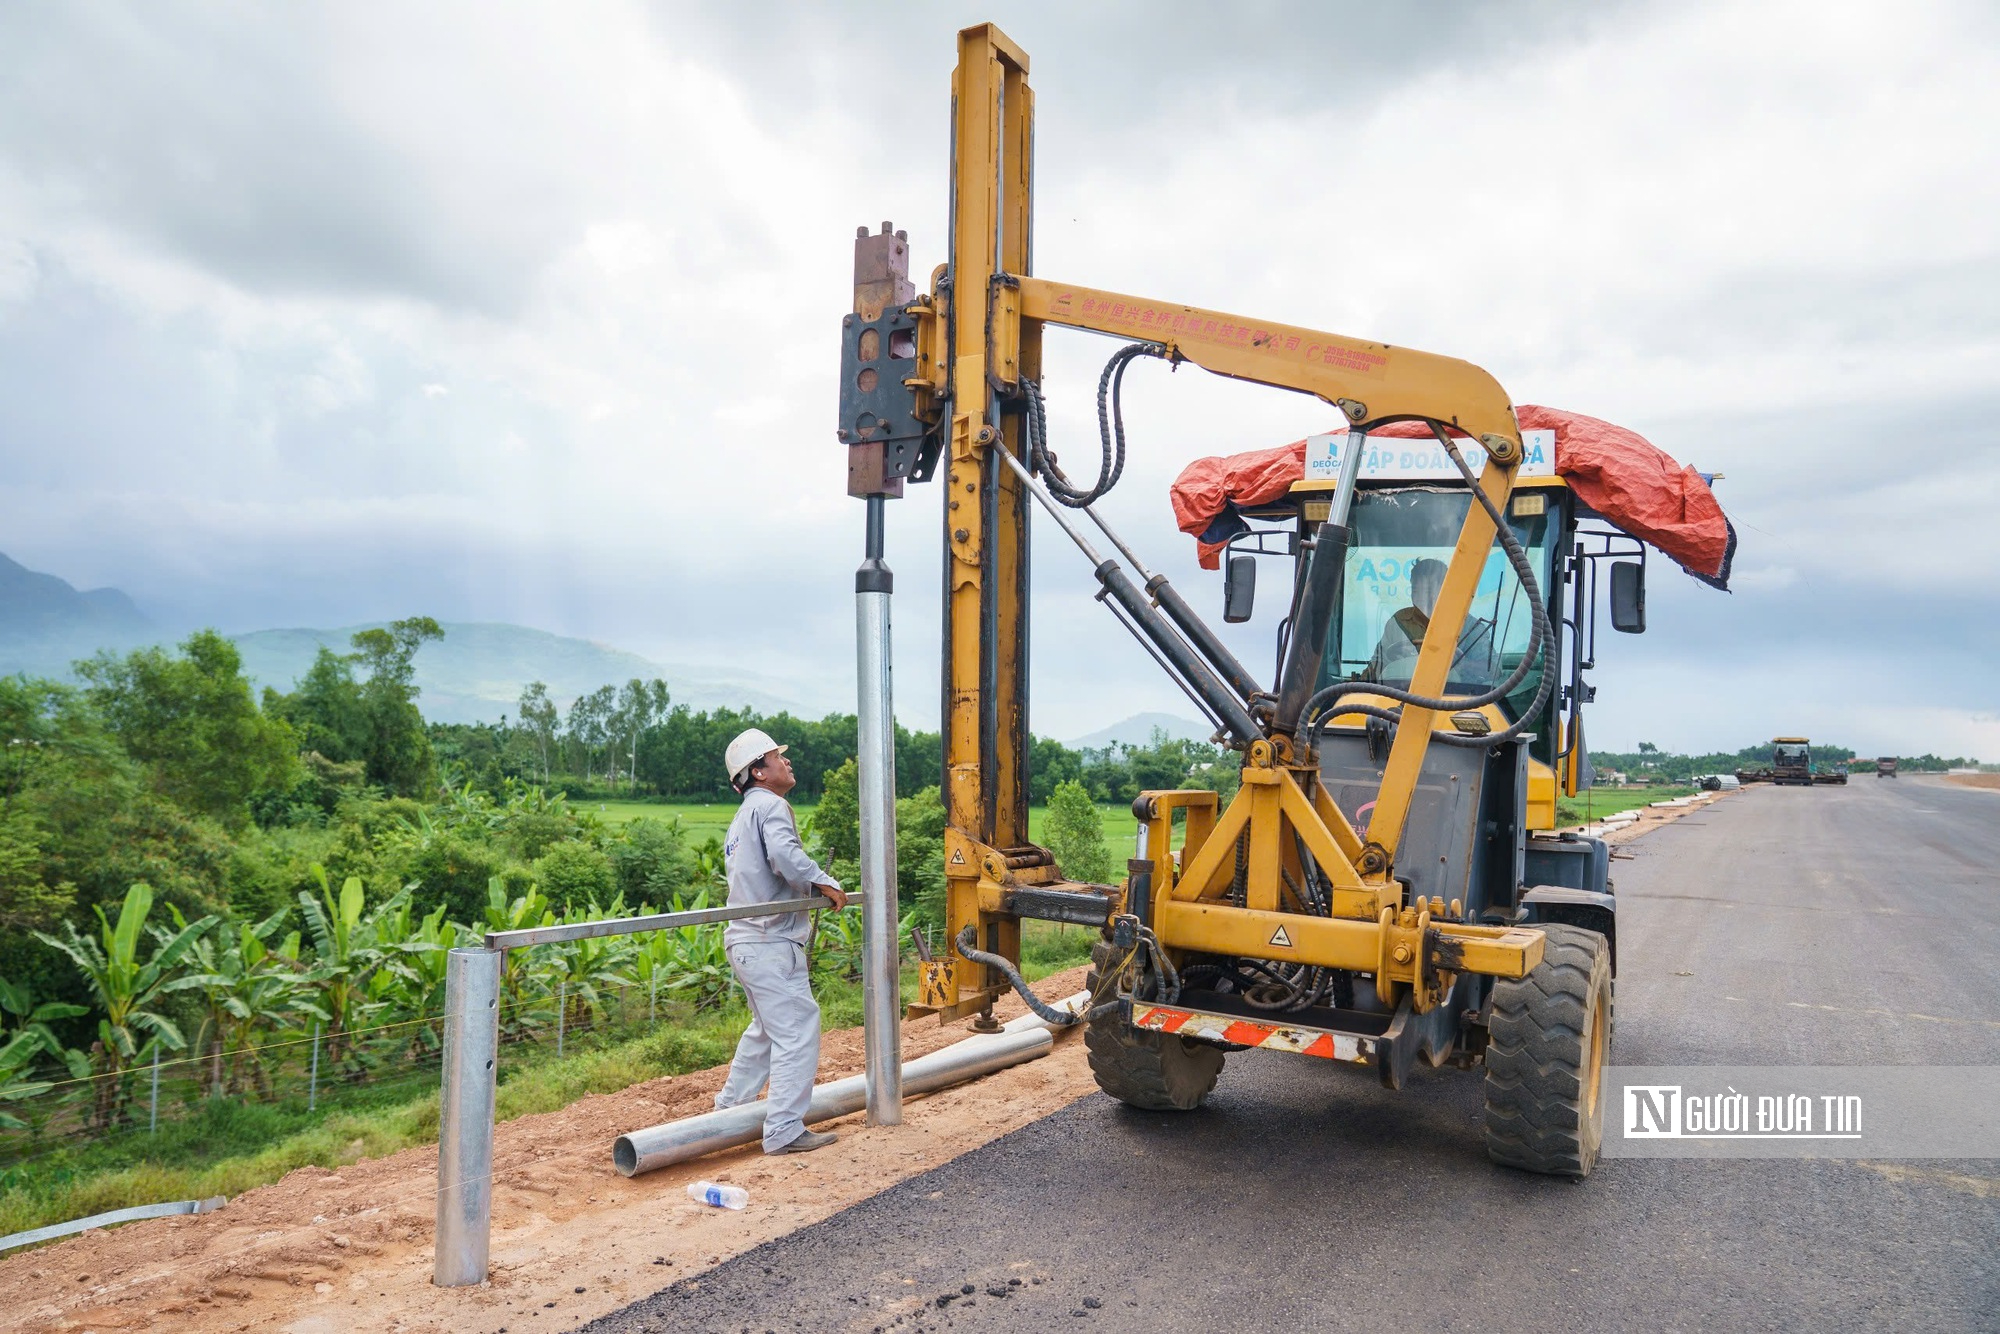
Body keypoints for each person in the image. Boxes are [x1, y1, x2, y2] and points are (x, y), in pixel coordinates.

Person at [712, 728, 850, 1154]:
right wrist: (824, 883)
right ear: (758, 771)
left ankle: (725, 1115)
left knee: (767, 1033)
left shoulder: (742, 817)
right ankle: (784, 1129)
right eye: (776, 757)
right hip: (770, 940)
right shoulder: (772, 805)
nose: (786, 762)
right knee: (796, 1029)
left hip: (747, 941)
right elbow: (786, 856)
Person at [1366, 557, 1494, 684]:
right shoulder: (1398, 622)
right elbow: (1376, 667)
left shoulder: (1469, 626)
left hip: (1456, 698)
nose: (1421, 598)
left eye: (1428, 591)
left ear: (1444, 591)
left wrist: (1463, 663)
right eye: (1416, 591)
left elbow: (1493, 670)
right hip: (1399, 696)